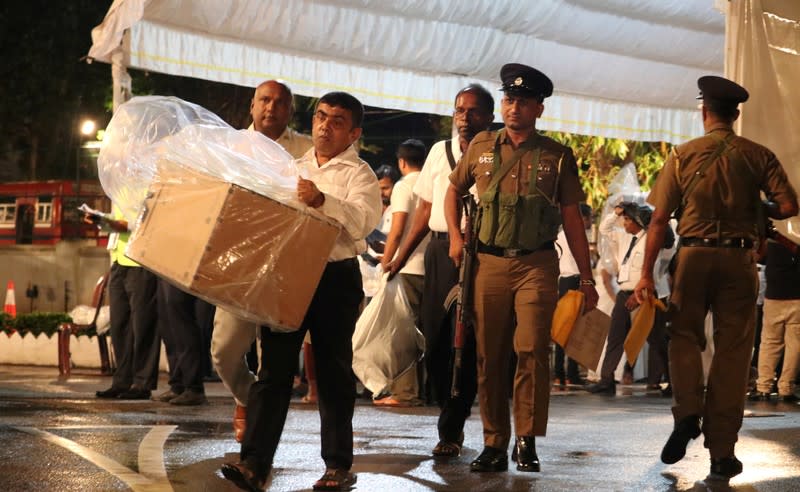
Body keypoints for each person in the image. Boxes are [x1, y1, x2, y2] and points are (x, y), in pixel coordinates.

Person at [634, 75, 798, 481]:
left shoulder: (682, 156)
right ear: (736, 114)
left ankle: (687, 413)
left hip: (693, 255)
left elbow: (657, 220)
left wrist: (645, 275)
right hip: (740, 261)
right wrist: (757, 209)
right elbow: (789, 204)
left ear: (703, 111)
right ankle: (722, 453)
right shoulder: (758, 155)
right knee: (734, 352)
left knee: (684, 337)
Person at [221, 91, 382, 492]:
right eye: (321, 117)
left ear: (354, 132)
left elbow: (362, 222)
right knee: (273, 371)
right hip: (289, 275)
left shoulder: (359, 174)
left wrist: (322, 200)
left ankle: (337, 466)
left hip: (334, 277)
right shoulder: (291, 167)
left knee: (333, 374)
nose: (325, 126)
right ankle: (254, 464)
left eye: (338, 121)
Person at [445, 63, 598, 473]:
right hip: (488, 264)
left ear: (539, 109)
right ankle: (495, 442)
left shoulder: (557, 156)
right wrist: (457, 240)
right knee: (489, 355)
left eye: (523, 102)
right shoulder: (480, 146)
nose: (514, 108)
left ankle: (526, 440)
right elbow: (453, 190)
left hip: (537, 264)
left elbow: (572, 220)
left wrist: (586, 278)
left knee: (531, 350)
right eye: (510, 100)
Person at [386, 83, 495, 458]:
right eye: (460, 110)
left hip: (478, 254)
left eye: (475, 111)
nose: (466, 118)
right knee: (433, 337)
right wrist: (400, 258)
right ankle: (446, 406)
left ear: (489, 117)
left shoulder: (497, 154)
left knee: (464, 340)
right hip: (437, 250)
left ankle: (452, 427)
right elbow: (423, 211)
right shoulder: (438, 152)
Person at [203, 80, 314, 440]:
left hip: (288, 262)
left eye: (280, 103)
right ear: (252, 106)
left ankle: (262, 435)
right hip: (239, 262)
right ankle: (245, 396)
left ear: (290, 110)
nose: (271, 108)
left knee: (274, 357)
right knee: (224, 350)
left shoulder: (307, 151)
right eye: (264, 100)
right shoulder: (230, 146)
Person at [587, 203, 672, 395]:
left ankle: (672, 381)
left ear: (638, 222)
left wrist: (639, 294)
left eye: (627, 219)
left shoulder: (652, 239)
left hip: (644, 294)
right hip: (624, 293)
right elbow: (604, 229)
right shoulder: (625, 238)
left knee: (656, 340)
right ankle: (607, 379)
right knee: (615, 337)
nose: (624, 223)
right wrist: (616, 214)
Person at [373, 139, 428, 407]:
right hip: (431, 267)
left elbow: (398, 228)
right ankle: (424, 389)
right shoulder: (431, 183)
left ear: (402, 162)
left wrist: (388, 260)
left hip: (405, 267)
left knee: (401, 332)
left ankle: (405, 392)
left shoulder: (404, 186)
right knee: (424, 331)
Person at [93, 208, 160, 400]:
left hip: (140, 261)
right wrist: (102, 220)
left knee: (143, 324)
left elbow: (148, 220)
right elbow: (116, 222)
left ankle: (142, 383)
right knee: (119, 325)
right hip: (118, 260)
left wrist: (118, 225)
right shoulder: (117, 189)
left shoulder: (144, 184)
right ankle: (121, 381)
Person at [749, 229, 800, 402]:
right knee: (794, 344)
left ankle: (764, 386)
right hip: (797, 296)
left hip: (774, 295)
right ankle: (786, 388)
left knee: (770, 342)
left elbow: (761, 258)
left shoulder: (772, 238)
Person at [553, 203, 593, 389]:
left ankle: (560, 373)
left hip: (563, 282)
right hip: (576, 281)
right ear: (581, 218)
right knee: (575, 329)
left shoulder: (559, 236)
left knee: (563, 327)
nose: (590, 222)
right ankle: (571, 373)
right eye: (589, 218)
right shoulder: (576, 236)